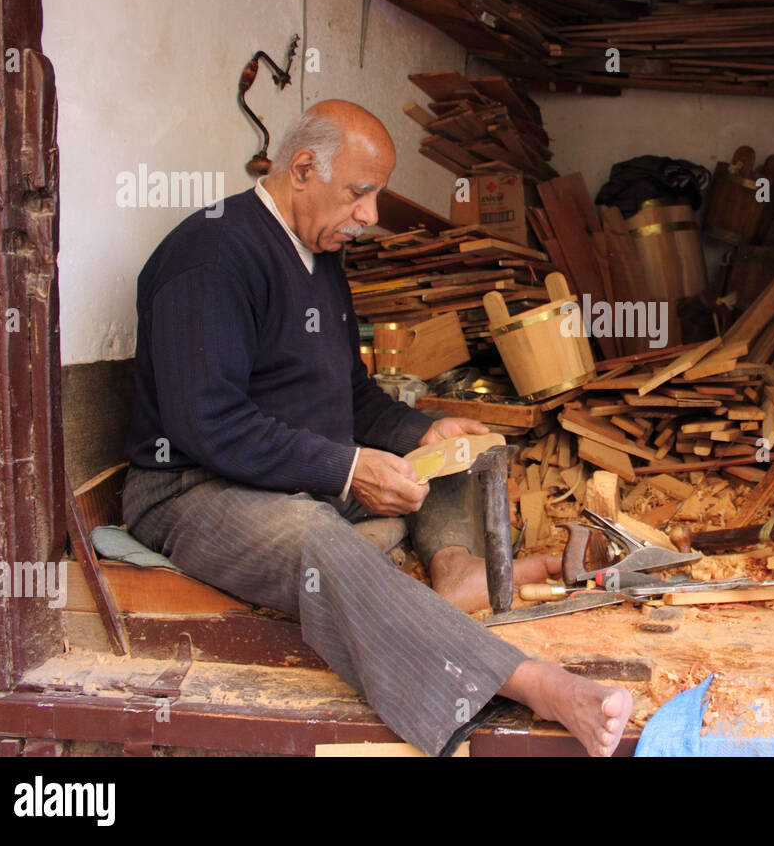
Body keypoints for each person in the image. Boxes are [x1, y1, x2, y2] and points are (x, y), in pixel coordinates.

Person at [121, 99, 632, 756]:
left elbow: (355, 400)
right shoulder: (213, 253)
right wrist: (345, 467)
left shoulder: (320, 254)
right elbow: (207, 423)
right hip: (191, 488)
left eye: (377, 194)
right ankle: (530, 682)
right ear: (303, 167)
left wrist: (424, 431)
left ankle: (454, 571)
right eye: (360, 193)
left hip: (292, 471)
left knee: (451, 455)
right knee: (312, 537)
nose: (371, 215)